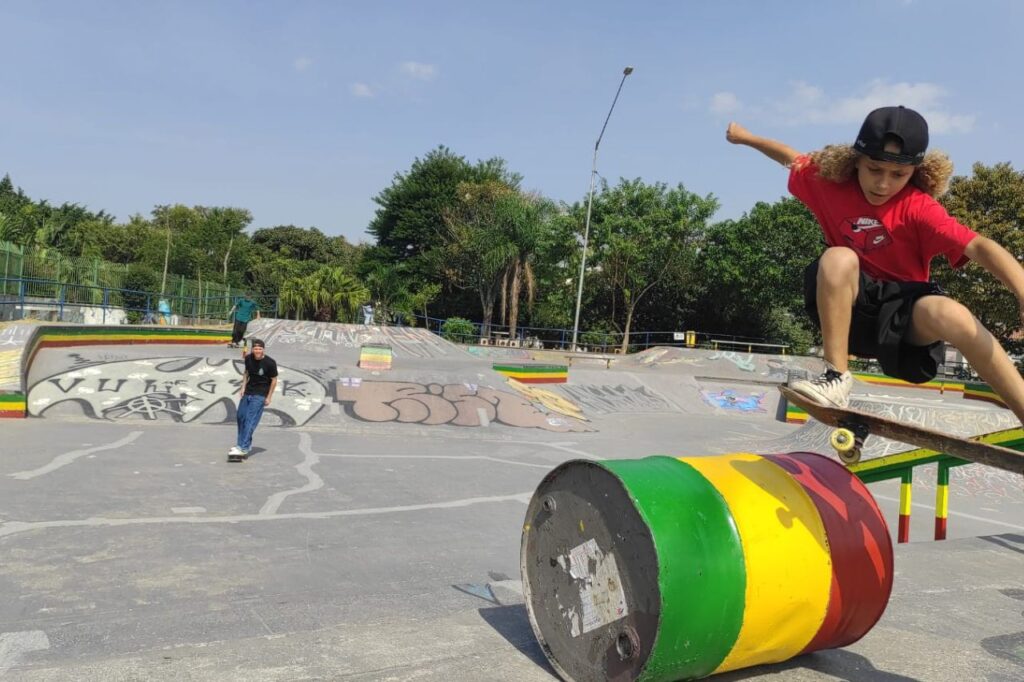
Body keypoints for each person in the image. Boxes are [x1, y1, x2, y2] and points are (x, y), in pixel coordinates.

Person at [725, 105, 1024, 424]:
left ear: (917, 172)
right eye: (874, 169)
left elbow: (979, 245)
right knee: (838, 257)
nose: (883, 184)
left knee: (954, 314)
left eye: (898, 175)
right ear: (855, 161)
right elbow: (789, 157)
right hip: (848, 310)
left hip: (902, 326)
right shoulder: (825, 181)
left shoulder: (919, 208)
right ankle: (836, 377)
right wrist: (746, 138)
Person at [230, 338, 278, 459]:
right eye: (255, 349)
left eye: (260, 349)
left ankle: (243, 447)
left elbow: (274, 380)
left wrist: (269, 397)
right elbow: (246, 373)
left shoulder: (270, 363)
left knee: (250, 420)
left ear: (263, 350)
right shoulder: (248, 358)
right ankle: (242, 444)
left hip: (260, 394)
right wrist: (242, 388)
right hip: (248, 391)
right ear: (252, 349)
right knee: (241, 416)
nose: (257, 351)